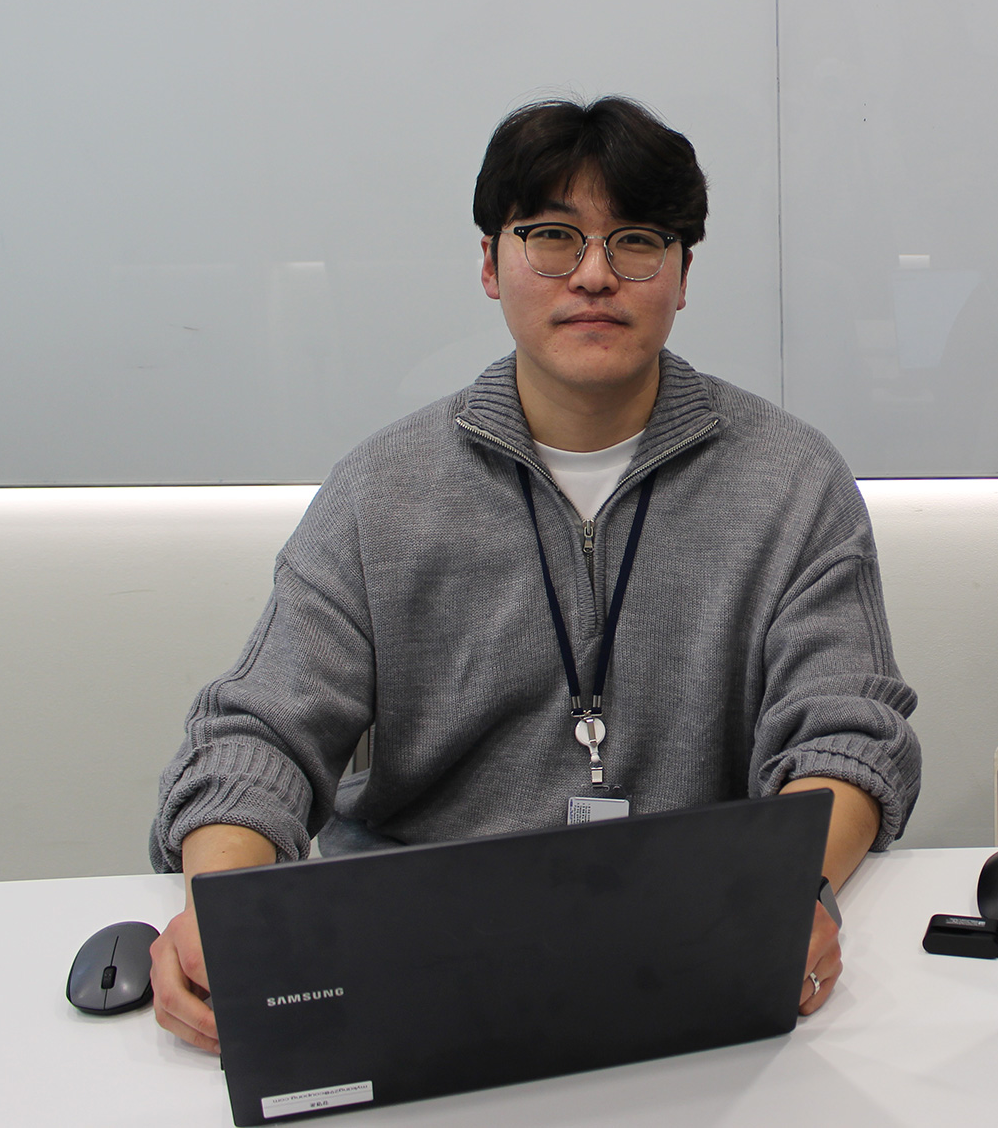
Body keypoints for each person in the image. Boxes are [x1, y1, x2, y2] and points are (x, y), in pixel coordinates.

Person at [147, 97, 920, 1052]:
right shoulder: (383, 491)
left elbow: (848, 736)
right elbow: (254, 731)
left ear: (684, 274)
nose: (594, 274)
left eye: (637, 240)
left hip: (688, 954)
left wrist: (782, 894)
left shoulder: (792, 483)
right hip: (418, 952)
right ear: (488, 262)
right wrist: (229, 916)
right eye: (551, 236)